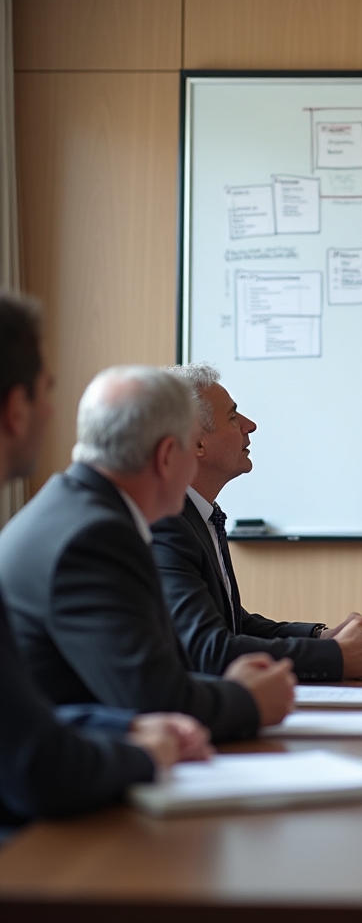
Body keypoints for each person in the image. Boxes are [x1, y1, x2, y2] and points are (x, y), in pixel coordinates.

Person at [0, 293, 211, 831]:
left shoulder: (72, 516)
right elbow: (34, 766)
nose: (54, 413)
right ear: (15, 410)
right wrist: (148, 753)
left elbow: (23, 720)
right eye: (47, 390)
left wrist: (123, 730)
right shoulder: (92, 534)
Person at [0, 365, 296, 745]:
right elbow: (154, 700)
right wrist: (248, 699)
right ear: (169, 455)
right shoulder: (96, 538)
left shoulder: (74, 510)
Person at [152, 363, 362, 680]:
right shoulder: (165, 524)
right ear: (197, 444)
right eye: (232, 417)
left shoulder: (197, 514)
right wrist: (336, 656)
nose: (250, 425)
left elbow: (233, 624)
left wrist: (324, 637)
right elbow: (208, 648)